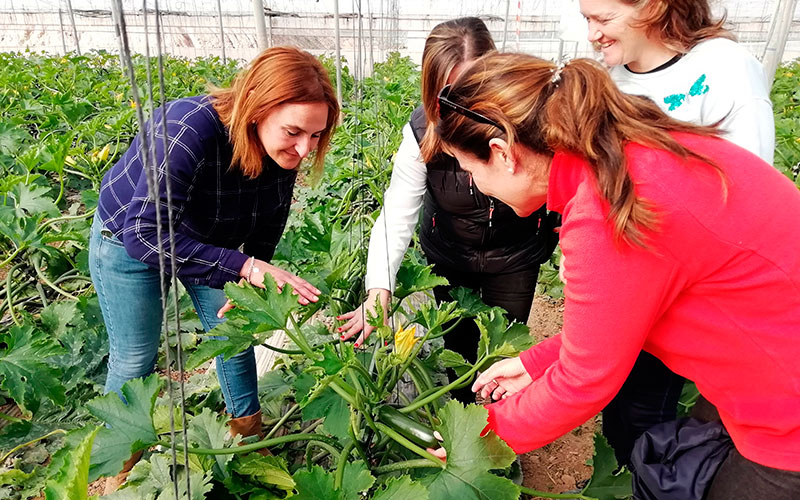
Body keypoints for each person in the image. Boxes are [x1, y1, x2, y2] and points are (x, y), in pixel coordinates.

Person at [433, 52, 800, 499]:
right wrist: (534, 363)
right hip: (765, 373)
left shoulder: (607, 208)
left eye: (470, 171)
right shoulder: (626, 155)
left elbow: (584, 382)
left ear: (503, 153)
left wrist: (472, 442)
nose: (474, 186)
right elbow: (624, 321)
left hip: (787, 415)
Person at [89, 46, 338, 491]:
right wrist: (242, 265)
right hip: (130, 237)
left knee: (234, 335)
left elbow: (268, 223)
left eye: (316, 136)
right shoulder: (188, 130)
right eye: (295, 132)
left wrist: (252, 284)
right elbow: (144, 235)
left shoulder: (283, 151)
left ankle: (247, 434)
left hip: (206, 240)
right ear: (257, 109)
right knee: (135, 356)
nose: (305, 148)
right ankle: (118, 468)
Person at [579, 0, 776, 464]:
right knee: (620, 405)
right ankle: (627, 478)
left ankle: (645, 480)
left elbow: (748, 200)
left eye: (603, 19)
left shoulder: (725, 71)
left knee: (649, 412)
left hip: (682, 293)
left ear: (653, 7)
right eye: (585, 18)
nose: (592, 34)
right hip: (625, 285)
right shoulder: (609, 80)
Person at [335, 18, 558, 403]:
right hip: (450, 251)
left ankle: (500, 424)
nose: (461, 108)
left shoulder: (527, 120)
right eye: (448, 95)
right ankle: (464, 413)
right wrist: (378, 290)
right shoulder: (421, 132)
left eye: (473, 89)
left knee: (502, 347)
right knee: (458, 345)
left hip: (515, 254)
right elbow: (396, 213)